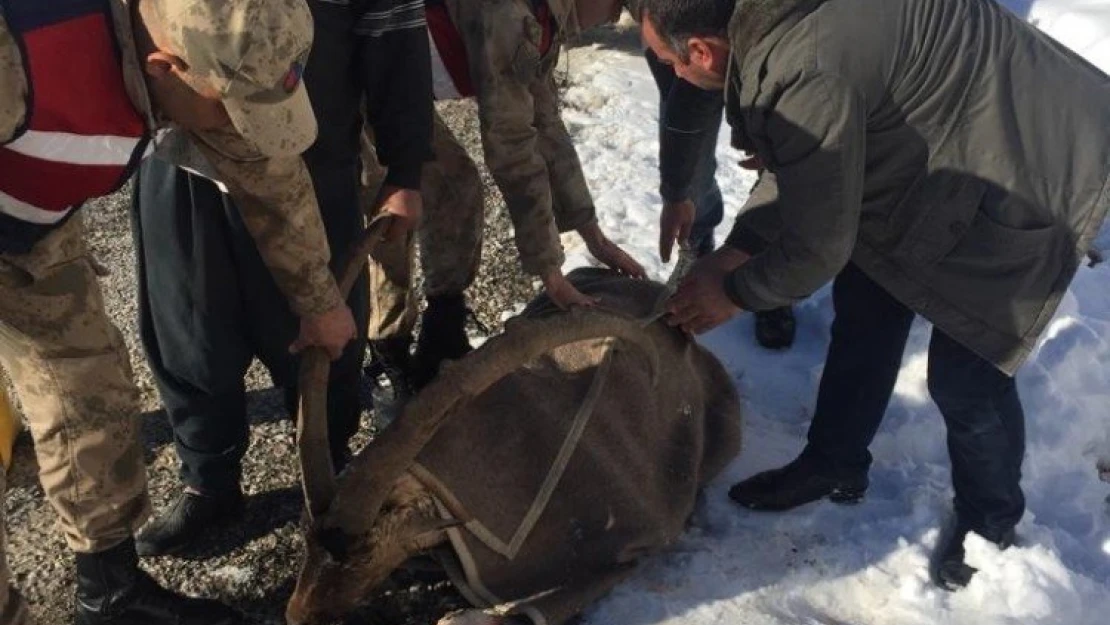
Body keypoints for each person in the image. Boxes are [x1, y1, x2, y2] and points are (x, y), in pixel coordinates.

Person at [637, 0, 1110, 589]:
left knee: (968, 373)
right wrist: (743, 246)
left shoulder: (803, 66)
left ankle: (992, 525)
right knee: (867, 299)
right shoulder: (773, 30)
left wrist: (735, 290)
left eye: (667, 63)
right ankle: (834, 462)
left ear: (702, 51)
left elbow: (817, 245)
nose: (673, 77)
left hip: (1032, 155)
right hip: (945, 137)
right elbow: (810, 167)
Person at [0, 0, 356, 622]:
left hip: (30, 233)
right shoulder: (19, 50)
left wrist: (319, 301)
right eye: (231, 107)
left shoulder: (211, 49)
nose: (239, 126)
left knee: (91, 387)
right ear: (165, 67)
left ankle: (109, 593)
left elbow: (268, 175)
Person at [132, 0, 432, 558]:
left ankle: (328, 474)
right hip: (183, 163)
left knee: (324, 333)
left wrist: (405, 168)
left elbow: (397, 39)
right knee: (187, 333)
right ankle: (208, 480)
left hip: (311, 160)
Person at [364, 0, 645, 392]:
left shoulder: (543, 14)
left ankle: (442, 324)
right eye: (614, 10)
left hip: (400, 86)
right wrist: (550, 273)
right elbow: (511, 143)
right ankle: (387, 346)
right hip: (351, 76)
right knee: (394, 206)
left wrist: (591, 232)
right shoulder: (507, 13)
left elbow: (544, 121)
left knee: (454, 188)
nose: (610, 21)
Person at [645, 45, 796, 349]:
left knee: (785, 152)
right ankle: (698, 243)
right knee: (691, 166)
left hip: (773, 45)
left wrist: (744, 256)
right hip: (690, 31)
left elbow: (803, 172)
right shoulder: (682, 55)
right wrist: (677, 192)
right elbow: (685, 111)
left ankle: (767, 271)